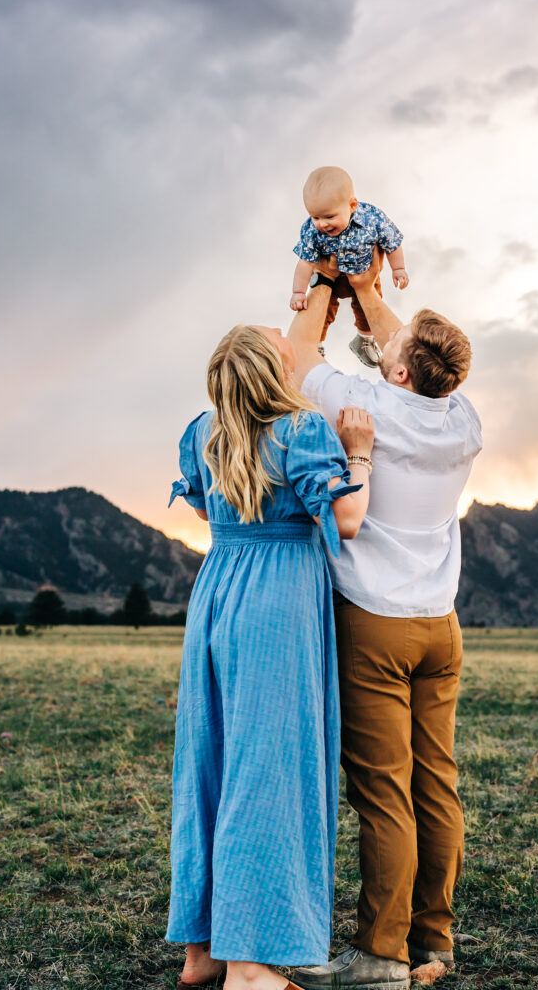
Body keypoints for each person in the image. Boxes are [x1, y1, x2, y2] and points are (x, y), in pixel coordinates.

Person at [286, 253, 482, 990]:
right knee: (436, 783)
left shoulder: (362, 401)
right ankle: (435, 940)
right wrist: (366, 289)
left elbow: (293, 355)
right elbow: (412, 340)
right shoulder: (461, 416)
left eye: (391, 350)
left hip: (373, 623)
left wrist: (326, 288)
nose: (381, 341)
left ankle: (378, 954)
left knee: (383, 792)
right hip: (440, 626)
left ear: (399, 373)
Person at [165, 324, 374, 990]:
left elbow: (208, 510)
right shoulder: (300, 430)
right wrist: (360, 458)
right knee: (267, 772)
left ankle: (201, 951)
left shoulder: (202, 432)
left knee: (211, 761)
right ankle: (251, 967)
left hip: (218, 590)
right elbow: (344, 520)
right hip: (278, 598)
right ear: (272, 371)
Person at [290, 166, 409, 368]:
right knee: (322, 310)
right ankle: (315, 344)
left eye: (329, 217)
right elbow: (304, 262)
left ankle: (364, 339)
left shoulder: (373, 219)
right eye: (315, 217)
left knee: (367, 308)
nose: (321, 224)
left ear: (352, 205)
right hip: (331, 279)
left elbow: (393, 242)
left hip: (364, 273)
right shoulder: (311, 230)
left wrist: (398, 269)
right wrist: (298, 292)